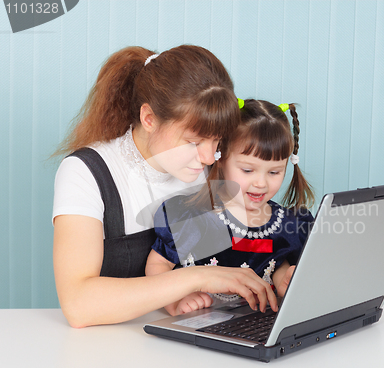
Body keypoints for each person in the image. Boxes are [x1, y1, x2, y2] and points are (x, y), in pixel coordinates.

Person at [52, 46, 277, 328]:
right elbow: (78, 305)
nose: (209, 158)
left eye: (216, 141)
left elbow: (246, 246)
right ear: (149, 119)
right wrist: (198, 278)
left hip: (191, 338)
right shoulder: (87, 173)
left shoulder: (205, 168)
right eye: (194, 142)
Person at [146, 99, 315, 316]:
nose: (261, 183)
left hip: (251, 330)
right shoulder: (194, 217)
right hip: (198, 327)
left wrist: (285, 281)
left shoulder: (288, 224)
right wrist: (176, 300)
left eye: (274, 172)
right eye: (247, 170)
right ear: (221, 157)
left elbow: (273, 261)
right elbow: (157, 266)